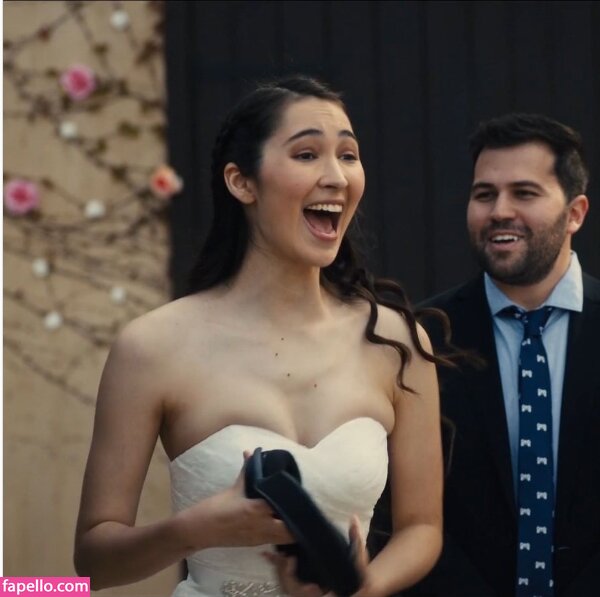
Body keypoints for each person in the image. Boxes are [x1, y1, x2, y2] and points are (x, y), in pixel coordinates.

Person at [74, 75, 449, 597]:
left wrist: (364, 587)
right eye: (307, 155)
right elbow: (92, 564)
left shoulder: (397, 342)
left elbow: (422, 527)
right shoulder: (153, 347)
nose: (336, 177)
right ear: (241, 182)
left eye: (348, 155)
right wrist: (196, 529)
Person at [380, 113, 599, 596]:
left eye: (524, 193)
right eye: (484, 194)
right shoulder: (421, 338)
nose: (499, 211)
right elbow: (392, 507)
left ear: (576, 213)